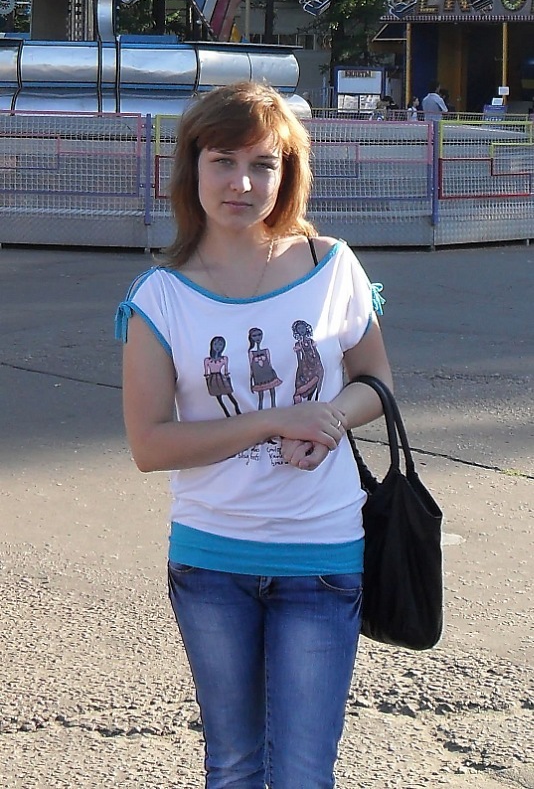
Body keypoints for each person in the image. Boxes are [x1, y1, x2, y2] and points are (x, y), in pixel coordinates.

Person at [115, 80, 392, 788]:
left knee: (304, 773)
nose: (242, 182)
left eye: (262, 164)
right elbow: (150, 445)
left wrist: (329, 418)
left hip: (322, 556)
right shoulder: (160, 297)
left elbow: (376, 382)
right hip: (212, 561)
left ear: (287, 172)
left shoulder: (331, 265)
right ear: (192, 166)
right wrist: (274, 419)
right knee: (233, 766)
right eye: (223, 161)